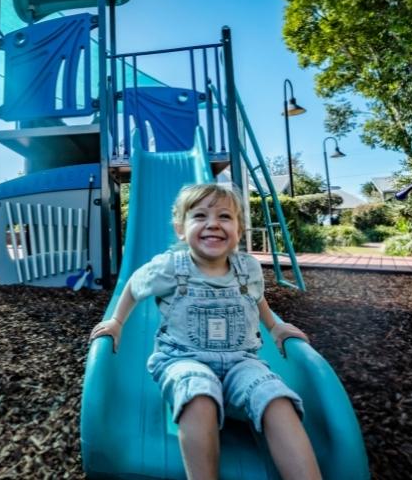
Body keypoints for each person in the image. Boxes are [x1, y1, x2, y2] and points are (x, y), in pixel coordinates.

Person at [89, 183, 322, 480]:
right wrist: (117, 322)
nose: (213, 224)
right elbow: (134, 286)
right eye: (200, 216)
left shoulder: (247, 268)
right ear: (181, 229)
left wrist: (275, 327)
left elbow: (256, 298)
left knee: (276, 398)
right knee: (197, 392)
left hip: (241, 362)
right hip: (183, 359)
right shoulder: (171, 267)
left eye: (225, 217)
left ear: (239, 229)